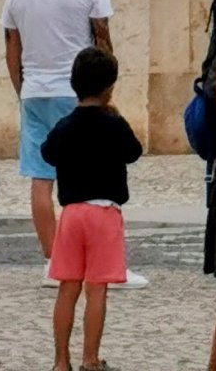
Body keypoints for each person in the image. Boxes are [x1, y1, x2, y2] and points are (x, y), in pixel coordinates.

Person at [1, 0, 113, 262]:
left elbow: (12, 47)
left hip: (35, 89)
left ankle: (54, 261)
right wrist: (105, 91)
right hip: (77, 92)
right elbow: (102, 40)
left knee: (40, 177)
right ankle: (90, 259)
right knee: (87, 178)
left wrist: (22, 88)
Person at [41, 44, 141, 371]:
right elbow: (134, 152)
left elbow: (48, 153)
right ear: (109, 87)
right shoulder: (114, 124)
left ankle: (60, 361)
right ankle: (91, 359)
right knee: (96, 290)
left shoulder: (65, 126)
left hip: (72, 214)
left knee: (67, 287)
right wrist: (116, 115)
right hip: (104, 213)